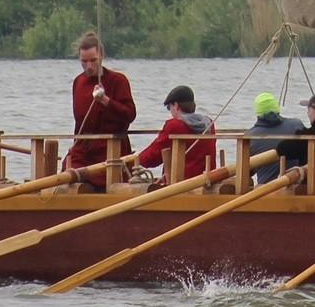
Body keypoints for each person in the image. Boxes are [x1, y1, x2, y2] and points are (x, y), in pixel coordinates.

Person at [62, 31, 137, 191]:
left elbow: (130, 114)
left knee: (97, 178)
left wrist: (106, 100)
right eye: (84, 62)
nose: (88, 66)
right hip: (84, 149)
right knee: (67, 175)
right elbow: (80, 123)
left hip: (110, 150)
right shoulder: (78, 82)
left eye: (93, 61)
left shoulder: (117, 81)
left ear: (101, 57)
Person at [134, 84, 217, 183]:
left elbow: (153, 156)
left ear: (176, 106)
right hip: (207, 179)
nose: (170, 111)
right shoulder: (208, 123)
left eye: (169, 107)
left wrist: (136, 160)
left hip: (182, 183)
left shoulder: (175, 125)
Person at [245, 92, 304, 186]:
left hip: (266, 189)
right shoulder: (296, 125)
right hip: (298, 186)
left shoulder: (251, 136)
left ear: (258, 113)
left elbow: (246, 171)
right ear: (277, 108)